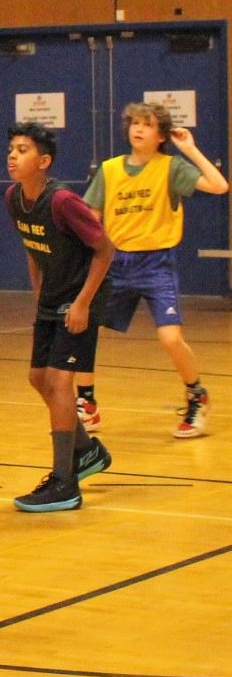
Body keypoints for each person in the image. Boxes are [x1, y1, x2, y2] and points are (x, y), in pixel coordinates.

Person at [80, 103, 227, 439]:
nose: (138, 129)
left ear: (161, 135)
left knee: (170, 337)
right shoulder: (110, 169)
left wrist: (189, 149)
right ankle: (86, 403)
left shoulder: (171, 167)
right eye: (134, 123)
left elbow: (219, 186)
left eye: (147, 125)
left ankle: (197, 396)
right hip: (116, 263)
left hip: (156, 263)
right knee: (84, 326)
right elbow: (91, 217)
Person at [4, 121, 115, 511]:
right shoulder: (14, 197)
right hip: (52, 298)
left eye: (23, 150)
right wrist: (39, 292)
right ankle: (86, 451)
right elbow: (33, 246)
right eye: (11, 150)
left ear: (44, 161)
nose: (13, 156)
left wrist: (83, 303)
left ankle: (65, 482)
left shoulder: (64, 201)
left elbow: (105, 251)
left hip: (83, 298)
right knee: (38, 379)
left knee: (58, 382)